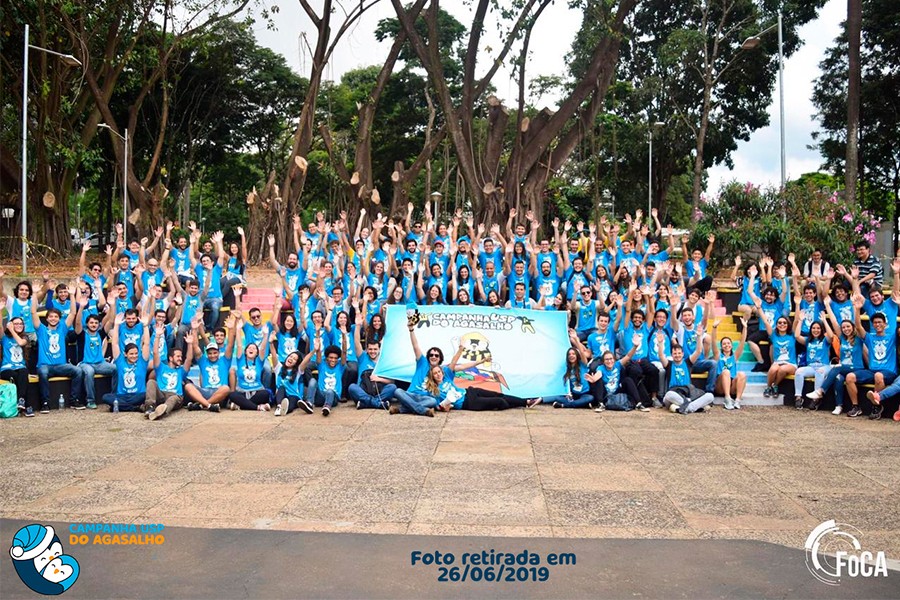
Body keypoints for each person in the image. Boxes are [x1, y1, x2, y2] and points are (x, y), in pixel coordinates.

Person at [806, 295, 865, 416]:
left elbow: (858, 324)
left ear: (852, 327)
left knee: (836, 368)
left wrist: (855, 308)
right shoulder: (842, 338)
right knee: (838, 378)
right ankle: (839, 406)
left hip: (856, 368)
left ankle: (821, 391)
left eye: (848, 326)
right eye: (843, 327)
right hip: (844, 369)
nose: (845, 329)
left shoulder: (859, 338)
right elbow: (834, 322)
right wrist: (827, 307)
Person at [33, 292, 82, 412]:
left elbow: (73, 313)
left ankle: (74, 400)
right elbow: (33, 312)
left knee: (78, 371)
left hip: (61, 365)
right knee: (43, 373)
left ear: (59, 319)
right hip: (45, 365)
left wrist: (71, 295)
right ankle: (45, 403)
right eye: (51, 317)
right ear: (47, 318)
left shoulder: (62, 329)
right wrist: (34, 293)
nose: (53, 319)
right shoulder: (41, 330)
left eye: (56, 317)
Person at [585, 332, 649, 412]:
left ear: (614, 360)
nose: (609, 361)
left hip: (617, 390)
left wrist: (635, 346)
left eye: (611, 359)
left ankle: (639, 404)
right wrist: (593, 379)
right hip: (606, 394)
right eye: (607, 359)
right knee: (599, 381)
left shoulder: (617, 364)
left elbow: (628, 356)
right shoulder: (601, 368)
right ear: (603, 361)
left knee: (628, 380)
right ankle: (600, 404)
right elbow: (598, 375)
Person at [392, 321, 443, 417]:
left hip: (424, 398)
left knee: (433, 401)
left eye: (436, 355)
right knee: (397, 391)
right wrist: (411, 330)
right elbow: (415, 346)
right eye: (431, 355)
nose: (433, 357)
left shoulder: (440, 372)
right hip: (410, 395)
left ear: (440, 359)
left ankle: (402, 409)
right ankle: (423, 411)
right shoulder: (423, 362)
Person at [347, 312, 396, 410]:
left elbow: (392, 381)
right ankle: (378, 403)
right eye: (370, 349)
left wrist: (379, 379)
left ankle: (365, 403)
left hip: (380, 390)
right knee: (352, 387)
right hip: (364, 390)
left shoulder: (384, 360)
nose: (372, 351)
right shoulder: (363, 357)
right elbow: (356, 341)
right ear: (367, 349)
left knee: (392, 388)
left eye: (375, 349)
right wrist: (357, 326)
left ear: (379, 349)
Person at [102, 314, 151, 411]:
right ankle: (134, 408)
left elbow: (147, 344)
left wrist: (145, 326)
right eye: (131, 354)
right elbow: (115, 343)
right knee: (106, 397)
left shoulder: (142, 361)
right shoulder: (120, 361)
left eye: (136, 353)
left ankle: (121, 407)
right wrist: (116, 325)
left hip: (138, 395)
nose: (134, 356)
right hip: (122, 396)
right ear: (125, 354)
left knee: (147, 395)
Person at [74, 298, 116, 410]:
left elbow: (111, 321)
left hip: (100, 363)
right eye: (91, 322)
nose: (94, 325)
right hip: (85, 363)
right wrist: (81, 307)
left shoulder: (101, 334)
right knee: (89, 371)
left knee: (116, 368)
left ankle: (114, 396)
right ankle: (90, 400)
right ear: (87, 324)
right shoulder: (81, 334)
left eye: (96, 323)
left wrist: (112, 305)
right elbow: (77, 322)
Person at [144, 328, 194, 421]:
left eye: (181, 356)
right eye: (178, 356)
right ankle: (150, 408)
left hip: (175, 396)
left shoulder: (181, 371)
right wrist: (158, 336)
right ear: (171, 358)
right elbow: (155, 353)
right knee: (151, 382)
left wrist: (190, 344)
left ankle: (162, 411)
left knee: (173, 398)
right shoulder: (161, 367)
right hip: (162, 394)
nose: (180, 358)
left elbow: (189, 359)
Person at [658, 339, 715, 414]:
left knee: (710, 396)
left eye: (679, 353)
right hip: (675, 393)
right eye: (675, 353)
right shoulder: (669, 364)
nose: (677, 355)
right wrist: (660, 343)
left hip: (689, 393)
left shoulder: (688, 362)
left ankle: (686, 407)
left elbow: (698, 351)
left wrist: (699, 336)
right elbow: (661, 355)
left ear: (683, 354)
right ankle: (693, 407)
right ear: (672, 355)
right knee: (668, 396)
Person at [792, 314, 833, 411]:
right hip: (811, 367)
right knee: (799, 372)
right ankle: (798, 397)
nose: (816, 330)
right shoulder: (808, 340)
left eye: (818, 328)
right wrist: (800, 320)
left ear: (822, 329)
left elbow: (831, 336)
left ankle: (816, 398)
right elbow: (797, 336)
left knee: (819, 371)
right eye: (813, 328)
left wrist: (824, 320)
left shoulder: (825, 341)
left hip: (824, 366)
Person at [712, 316, 748, 410]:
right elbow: (713, 341)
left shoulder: (734, 356)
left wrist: (744, 327)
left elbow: (742, 342)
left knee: (742, 374)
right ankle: (727, 399)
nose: (726, 345)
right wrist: (714, 328)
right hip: (720, 386)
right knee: (726, 372)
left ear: (731, 345)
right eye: (724, 344)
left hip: (732, 385)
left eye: (728, 343)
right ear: (721, 346)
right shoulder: (718, 355)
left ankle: (737, 400)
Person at [304, 343, 346, 416]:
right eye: (331, 357)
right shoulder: (322, 365)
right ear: (326, 358)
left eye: (336, 358)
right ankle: (309, 403)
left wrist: (343, 335)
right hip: (321, 396)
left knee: (330, 391)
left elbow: (344, 352)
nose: (333, 360)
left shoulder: (340, 367)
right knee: (313, 381)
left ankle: (327, 407)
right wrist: (317, 336)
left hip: (334, 398)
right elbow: (318, 353)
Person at [2, 318, 30, 416]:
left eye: (20, 324)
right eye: (16, 324)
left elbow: (21, 343)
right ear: (10, 325)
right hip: (6, 368)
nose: (19, 325)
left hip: (20, 368)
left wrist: (12, 330)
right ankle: (26, 405)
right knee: (16, 376)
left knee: (24, 372)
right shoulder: (4, 338)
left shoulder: (25, 337)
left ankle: (21, 400)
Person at [275, 351, 315, 416]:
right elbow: (274, 355)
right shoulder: (279, 367)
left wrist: (314, 350)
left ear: (297, 363)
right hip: (281, 396)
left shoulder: (298, 371)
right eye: (290, 356)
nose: (291, 359)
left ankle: (285, 410)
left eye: (294, 359)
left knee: (292, 401)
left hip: (293, 395)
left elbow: (305, 360)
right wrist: (271, 343)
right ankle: (279, 407)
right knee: (281, 388)